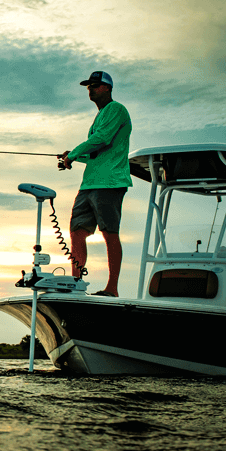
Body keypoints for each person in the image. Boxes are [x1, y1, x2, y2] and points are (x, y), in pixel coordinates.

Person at [57, 71, 133, 296]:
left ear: (108, 88)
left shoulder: (116, 109)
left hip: (109, 182)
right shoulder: (100, 116)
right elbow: (95, 150)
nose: (91, 89)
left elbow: (102, 139)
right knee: (77, 231)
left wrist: (73, 155)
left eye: (96, 85)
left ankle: (112, 288)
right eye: (89, 86)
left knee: (110, 232)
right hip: (89, 183)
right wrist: (73, 155)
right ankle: (75, 284)